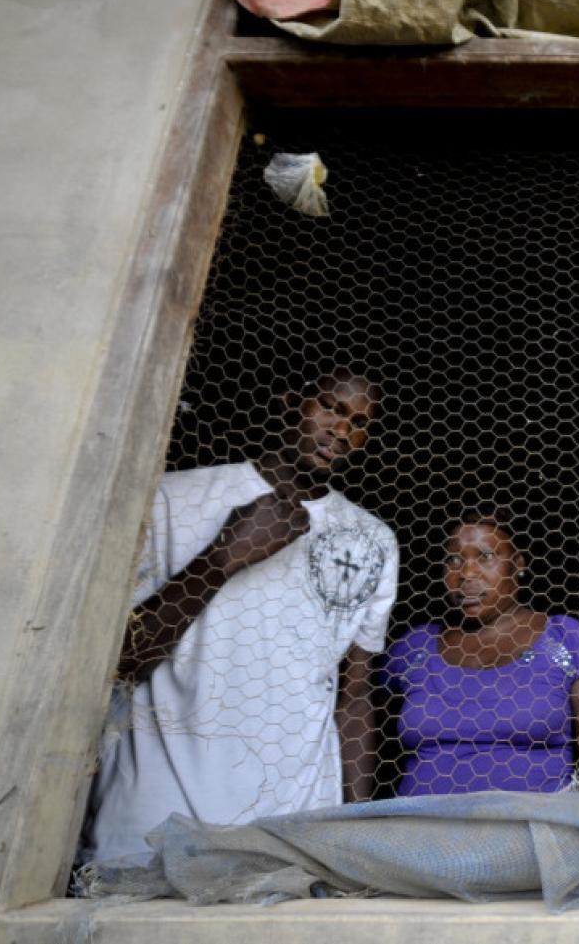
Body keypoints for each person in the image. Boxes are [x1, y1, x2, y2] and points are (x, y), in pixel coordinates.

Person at [84, 367, 399, 863]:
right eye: (331, 408)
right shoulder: (170, 499)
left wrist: (353, 833)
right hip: (153, 819)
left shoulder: (372, 539)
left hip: (290, 825)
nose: (342, 430)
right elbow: (115, 663)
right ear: (289, 401)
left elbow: (355, 696)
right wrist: (223, 558)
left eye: (359, 422)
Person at [383, 511, 579, 794]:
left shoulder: (567, 641)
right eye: (454, 559)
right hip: (417, 830)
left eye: (485, 557)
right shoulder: (414, 648)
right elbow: (361, 718)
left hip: (532, 830)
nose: (467, 573)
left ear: (518, 564)